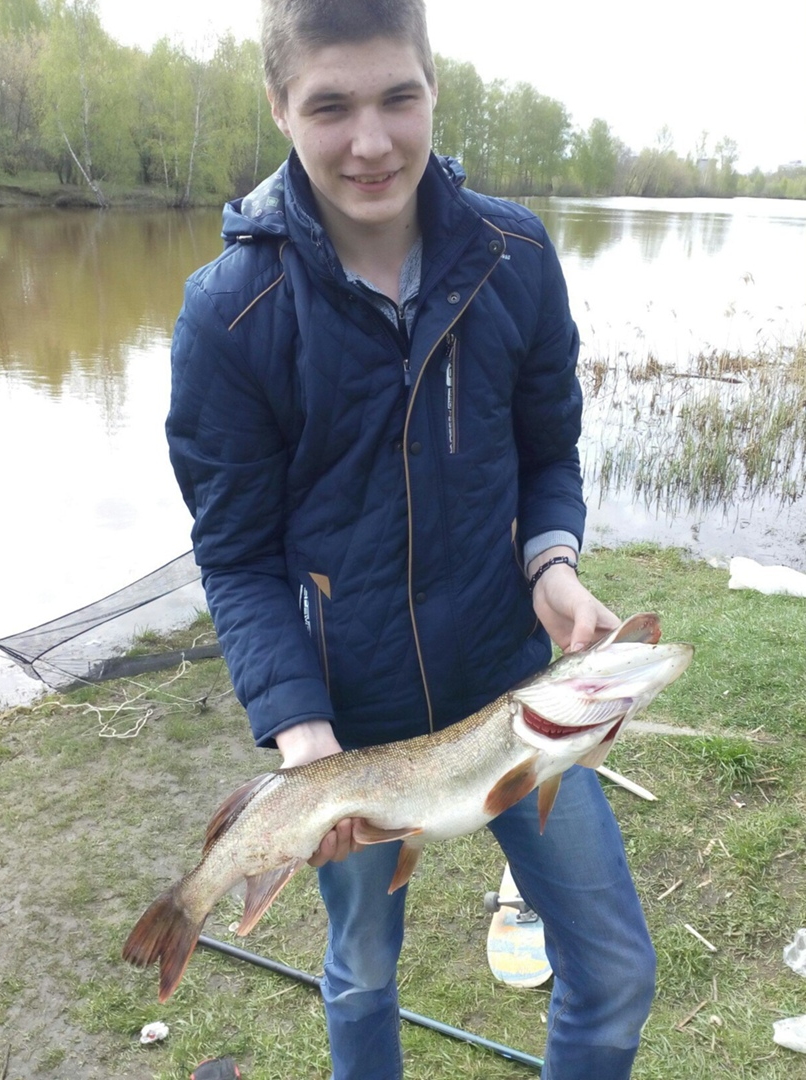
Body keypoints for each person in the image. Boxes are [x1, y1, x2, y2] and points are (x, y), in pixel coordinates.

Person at [165, 1, 656, 1076]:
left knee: (617, 974)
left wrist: (553, 565)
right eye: (331, 105)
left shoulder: (515, 257)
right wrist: (304, 746)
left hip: (513, 690)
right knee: (362, 971)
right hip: (348, 726)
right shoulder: (229, 314)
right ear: (279, 106)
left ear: (435, 84)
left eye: (398, 97)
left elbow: (549, 452)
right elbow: (238, 557)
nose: (372, 141)